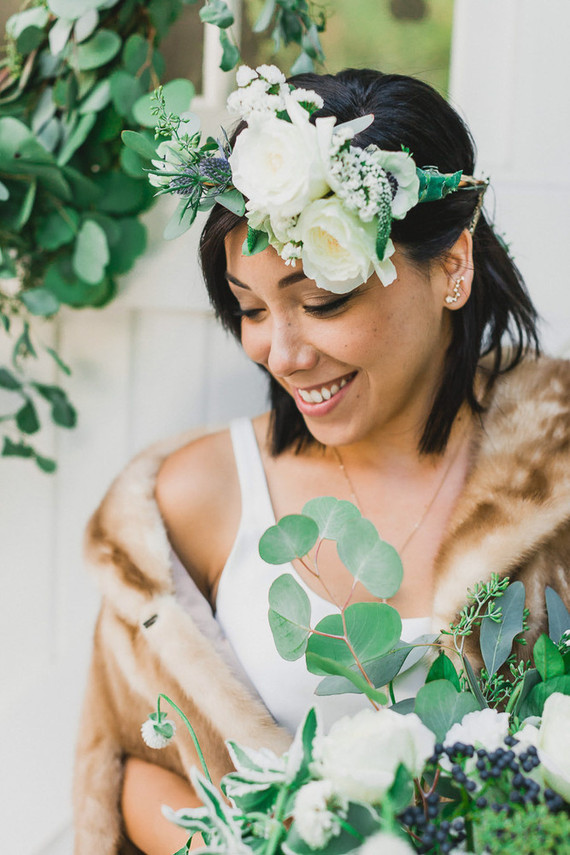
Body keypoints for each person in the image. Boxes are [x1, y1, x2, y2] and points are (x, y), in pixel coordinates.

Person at [73, 67, 570, 855]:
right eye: (250, 308)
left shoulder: (554, 472)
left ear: (452, 266)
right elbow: (130, 763)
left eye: (323, 301)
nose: (283, 353)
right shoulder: (196, 499)